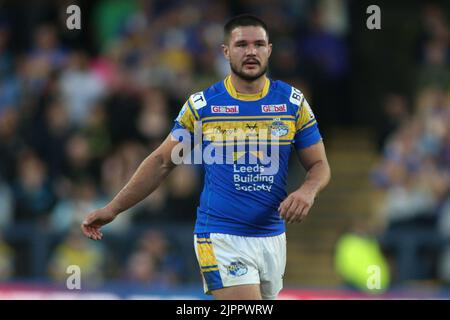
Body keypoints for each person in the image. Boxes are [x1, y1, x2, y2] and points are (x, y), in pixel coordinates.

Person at [81, 14, 331, 300]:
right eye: (241, 45)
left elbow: (319, 165)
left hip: (272, 236)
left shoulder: (292, 102)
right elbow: (163, 161)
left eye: (259, 44)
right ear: (226, 51)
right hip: (221, 236)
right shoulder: (204, 106)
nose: (251, 51)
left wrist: (308, 191)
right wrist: (112, 208)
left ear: (269, 50)